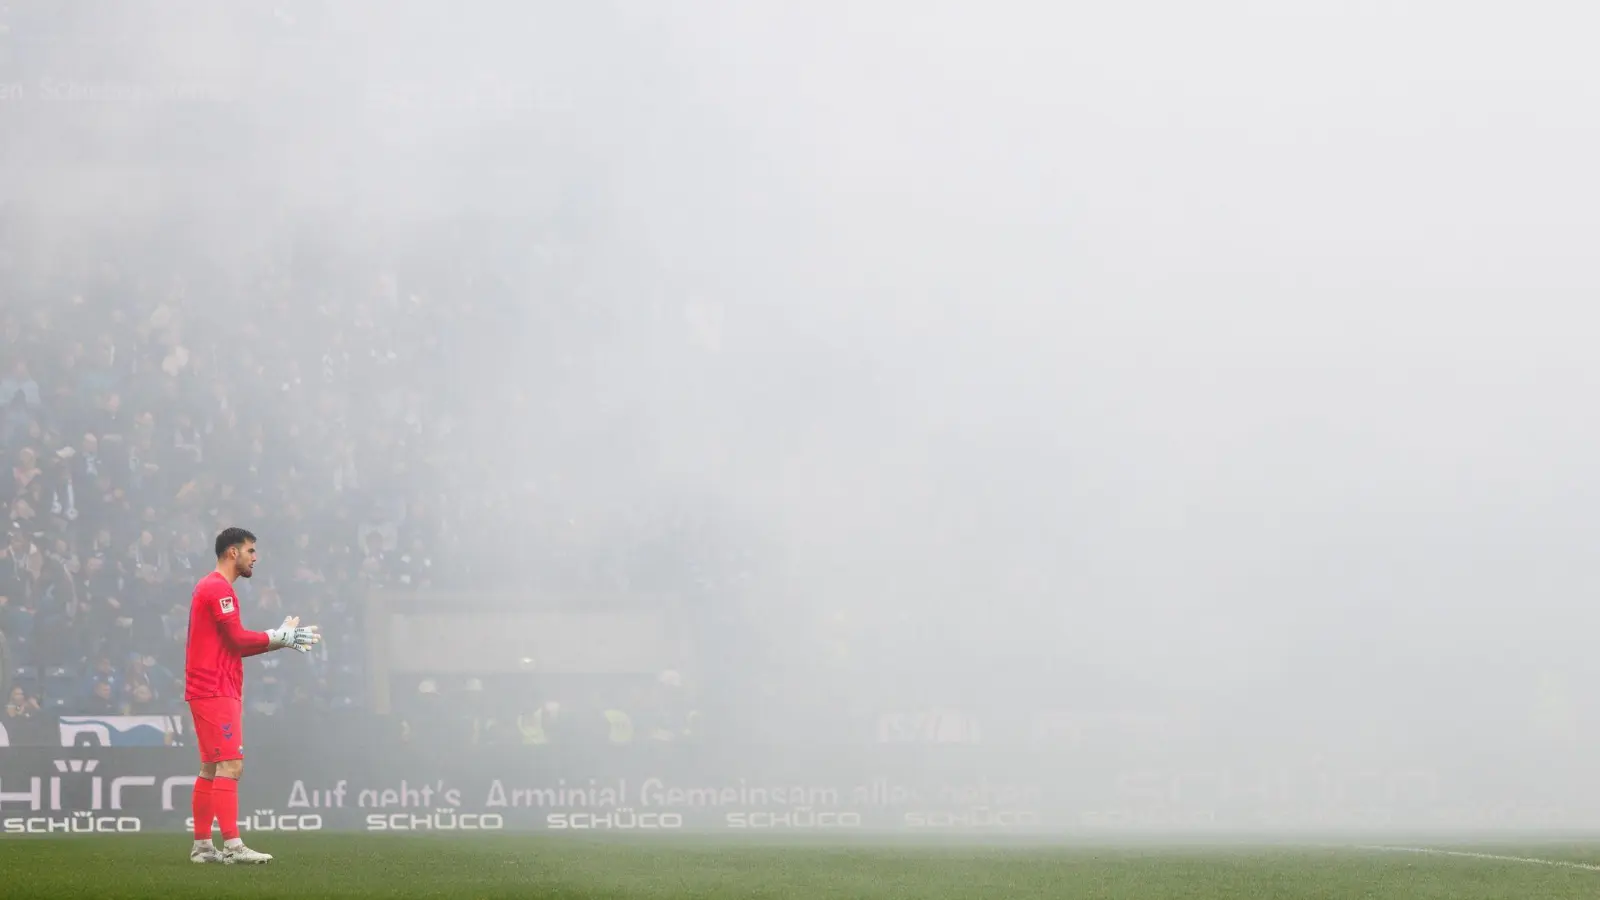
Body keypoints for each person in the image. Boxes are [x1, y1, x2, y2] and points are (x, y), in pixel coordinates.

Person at [185, 527, 321, 864]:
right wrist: (279, 636)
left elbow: (235, 646)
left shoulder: (214, 587)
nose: (255, 558)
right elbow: (239, 640)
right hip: (215, 688)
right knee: (231, 765)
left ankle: (203, 847)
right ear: (233, 552)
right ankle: (233, 846)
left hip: (211, 686)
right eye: (250, 551)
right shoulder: (217, 588)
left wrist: (279, 640)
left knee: (211, 766)